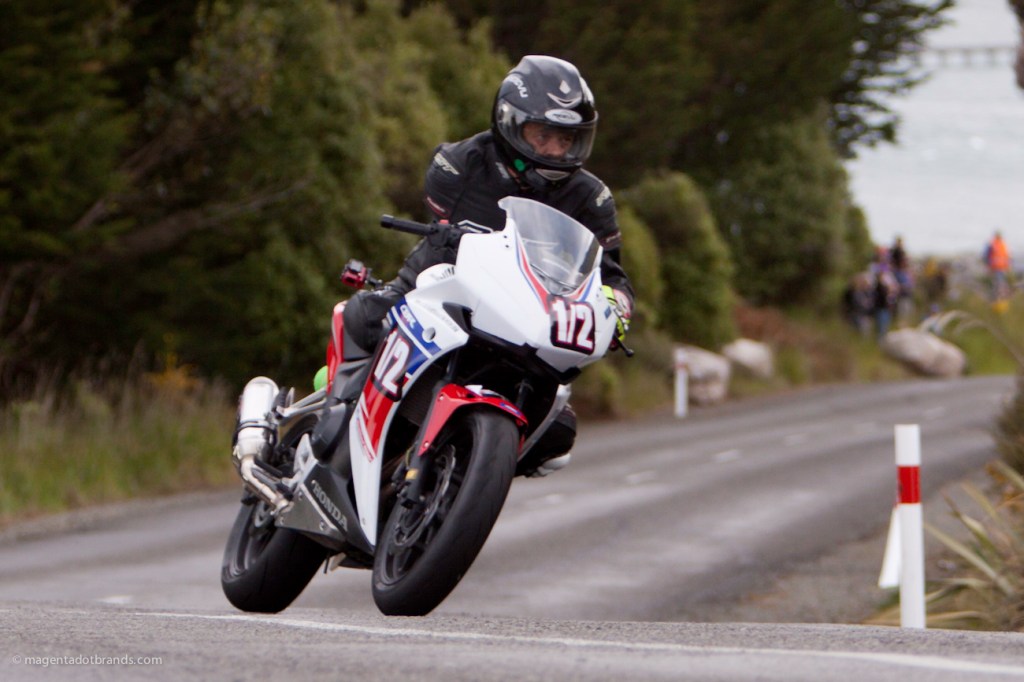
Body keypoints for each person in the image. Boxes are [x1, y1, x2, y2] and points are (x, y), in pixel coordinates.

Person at [343, 55, 635, 477]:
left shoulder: (592, 198)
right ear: (510, 122)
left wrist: (617, 306)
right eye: (544, 135)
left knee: (557, 433)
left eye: (566, 139)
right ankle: (329, 411)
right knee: (368, 317)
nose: (556, 150)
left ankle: (463, 480)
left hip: (525, 321)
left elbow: (611, 273)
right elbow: (441, 228)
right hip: (443, 286)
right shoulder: (461, 162)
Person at [984, 230, 1012, 304]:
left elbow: (1006, 256)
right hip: (998, 267)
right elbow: (988, 256)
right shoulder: (1000, 244)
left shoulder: (994, 244)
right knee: (999, 283)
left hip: (998, 267)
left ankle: (999, 299)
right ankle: (998, 299)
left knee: (998, 283)